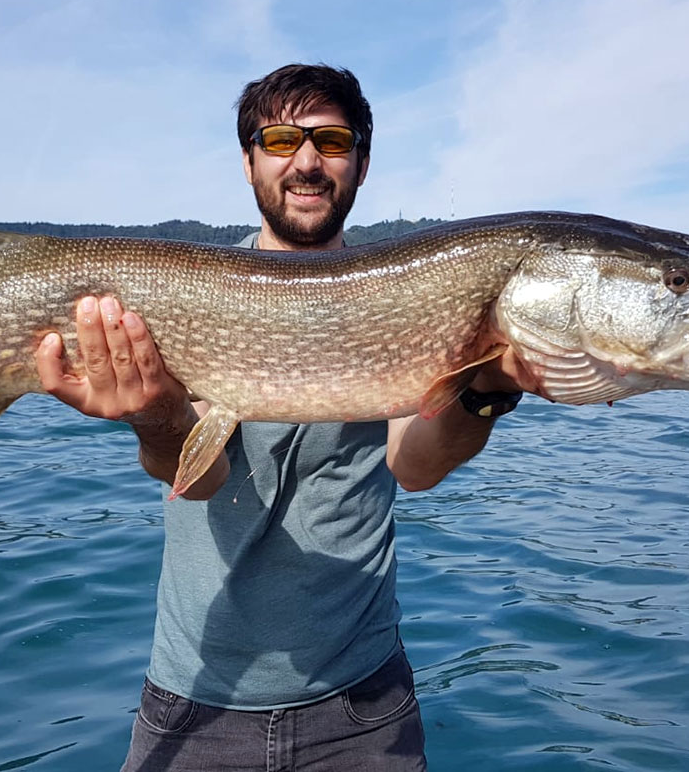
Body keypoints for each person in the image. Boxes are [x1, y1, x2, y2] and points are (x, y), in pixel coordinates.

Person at [34, 64, 530, 771]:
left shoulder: (405, 294)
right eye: (279, 140)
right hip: (195, 698)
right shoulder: (188, 292)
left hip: (363, 706)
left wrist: (485, 391)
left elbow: (415, 466)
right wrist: (155, 416)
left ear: (361, 163)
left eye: (332, 141)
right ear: (248, 162)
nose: (306, 162)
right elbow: (200, 479)